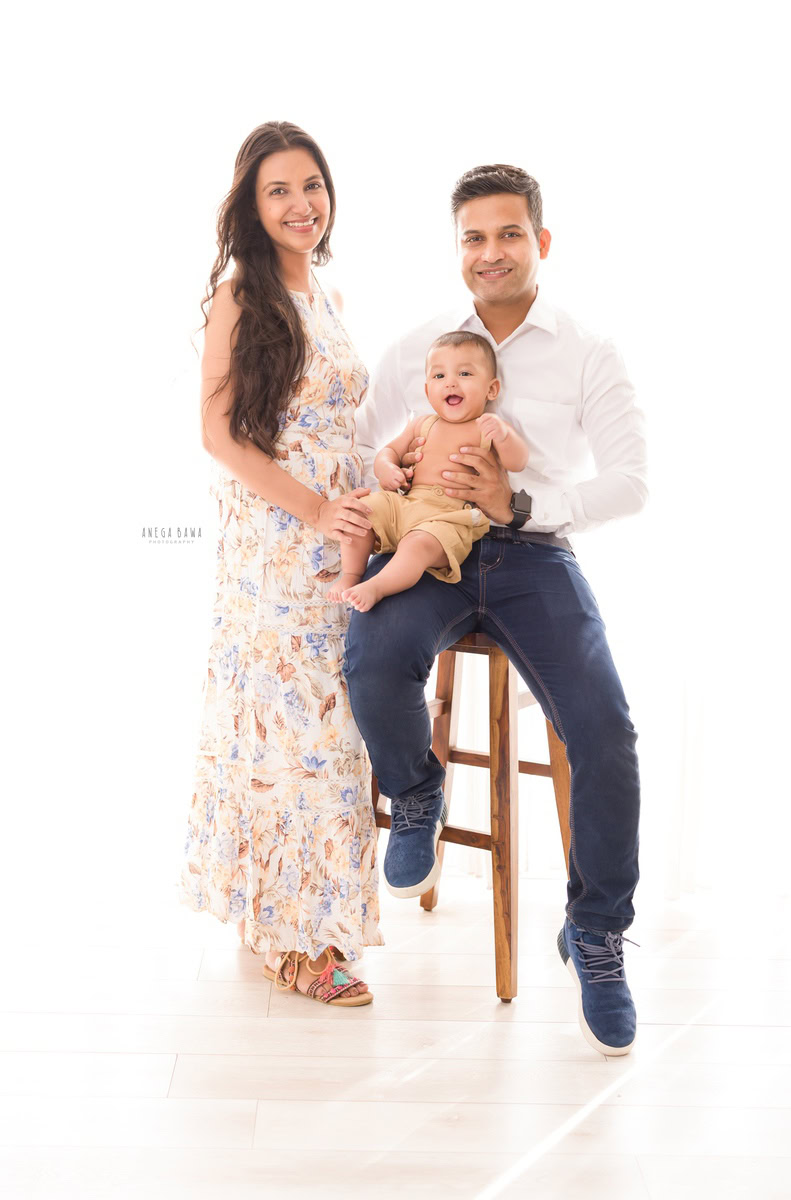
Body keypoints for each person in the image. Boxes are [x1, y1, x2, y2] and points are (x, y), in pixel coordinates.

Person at [344, 164, 647, 1052]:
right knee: (369, 659)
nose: (491, 253)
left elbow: (631, 484)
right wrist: (388, 470)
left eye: (509, 234)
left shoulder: (587, 351)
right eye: (474, 237)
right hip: (425, 548)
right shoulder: (421, 348)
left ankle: (594, 930)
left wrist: (522, 507)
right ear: (458, 250)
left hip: (531, 554)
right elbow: (364, 441)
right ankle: (416, 792)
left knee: (606, 728)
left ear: (540, 243)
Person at [177, 121, 383, 1007]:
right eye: (278, 191)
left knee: (339, 735)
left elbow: (339, 428)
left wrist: (381, 474)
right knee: (292, 742)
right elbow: (219, 434)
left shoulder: (326, 295)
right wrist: (313, 507)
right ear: (251, 209)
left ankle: (301, 918)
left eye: (312, 185)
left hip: (345, 539)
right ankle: (294, 939)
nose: (301, 204)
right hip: (276, 546)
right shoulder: (240, 296)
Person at [328, 331, 528, 611]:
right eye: (439, 376)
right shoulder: (422, 423)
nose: (451, 383)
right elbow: (389, 451)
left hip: (448, 516)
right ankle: (351, 574)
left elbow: (517, 462)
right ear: (426, 391)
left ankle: (378, 586)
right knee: (360, 512)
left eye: (465, 374)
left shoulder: (487, 426)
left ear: (491, 389)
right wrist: (386, 469)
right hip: (407, 503)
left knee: (417, 546)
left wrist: (504, 437)